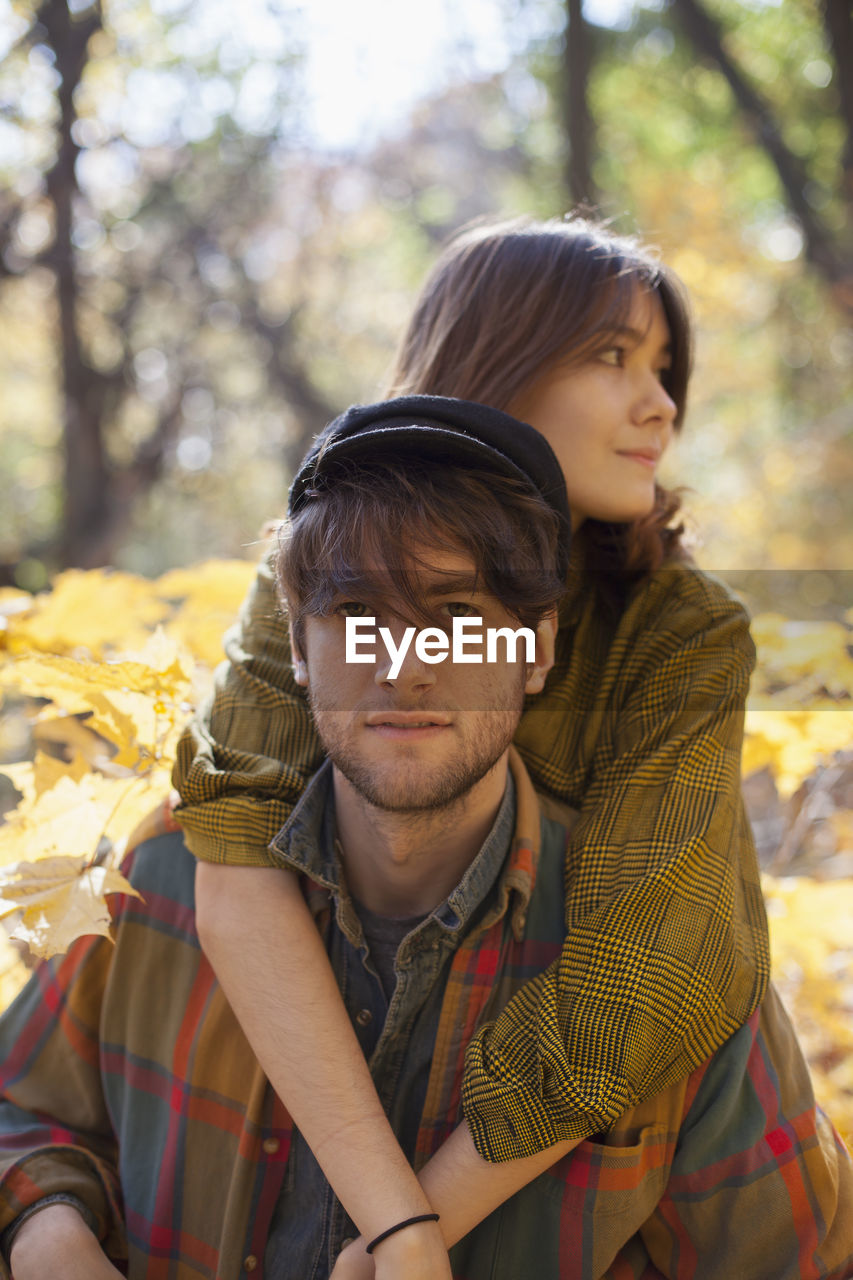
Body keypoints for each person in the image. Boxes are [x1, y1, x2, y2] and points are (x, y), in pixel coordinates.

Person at [1, 404, 850, 1280]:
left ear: (536, 648)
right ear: (296, 644)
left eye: (455, 611)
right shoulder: (167, 880)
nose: (404, 663)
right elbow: (19, 1109)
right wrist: (46, 1232)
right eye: (358, 609)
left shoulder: (660, 971)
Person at [166, 216, 773, 1270]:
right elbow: (232, 852)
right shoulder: (319, 562)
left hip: (613, 1148)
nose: (661, 404)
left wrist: (409, 1235)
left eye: (666, 368)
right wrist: (393, 1221)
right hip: (329, 1086)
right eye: (612, 355)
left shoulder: (679, 631)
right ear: (495, 360)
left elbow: (641, 984)